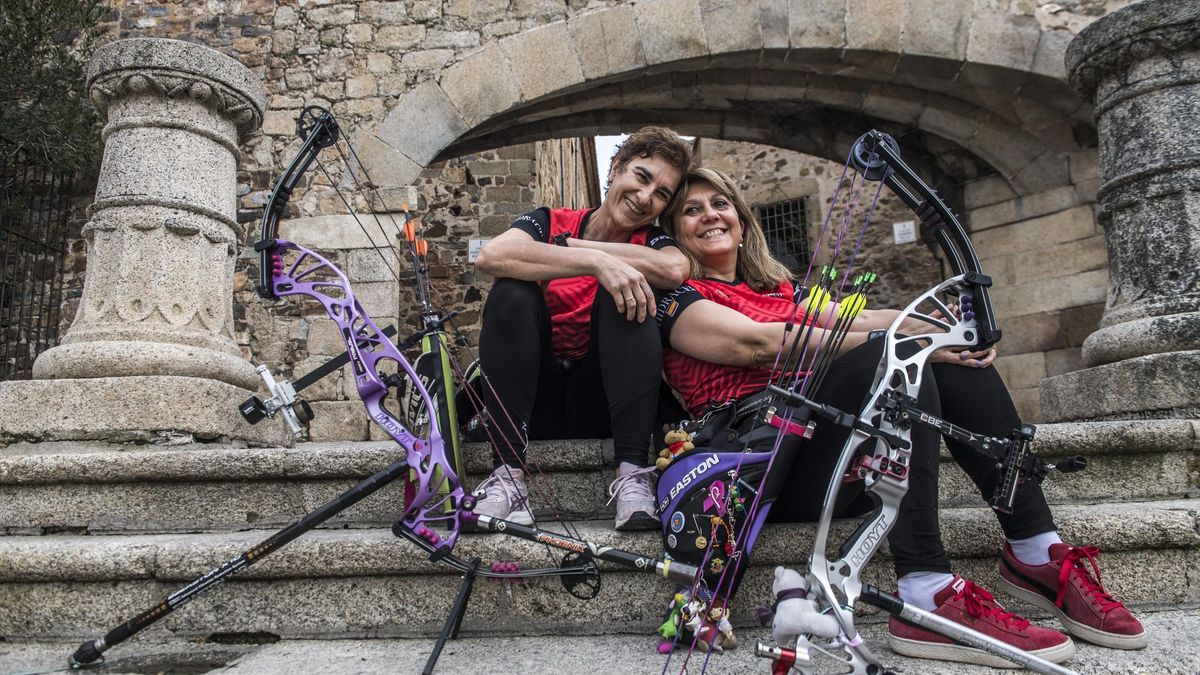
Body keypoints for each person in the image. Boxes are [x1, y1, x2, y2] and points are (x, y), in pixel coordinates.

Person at [654, 167, 1146, 666]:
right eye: (691, 211)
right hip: (765, 470)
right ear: (673, 232)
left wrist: (940, 328)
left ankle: (1037, 551)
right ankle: (925, 587)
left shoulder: (784, 291)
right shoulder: (676, 298)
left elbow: (858, 316)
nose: (710, 216)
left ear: (740, 217)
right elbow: (753, 343)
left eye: (720, 203)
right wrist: (906, 344)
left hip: (835, 454)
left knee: (952, 362)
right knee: (892, 359)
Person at [470, 127, 693, 531]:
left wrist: (587, 254)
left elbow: (674, 269)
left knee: (625, 286)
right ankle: (508, 480)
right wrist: (594, 263)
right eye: (641, 177)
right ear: (616, 168)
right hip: (535, 400)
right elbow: (492, 255)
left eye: (661, 193)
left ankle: (631, 475)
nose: (645, 197)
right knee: (511, 291)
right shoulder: (550, 220)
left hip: (606, 403)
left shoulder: (652, 240)